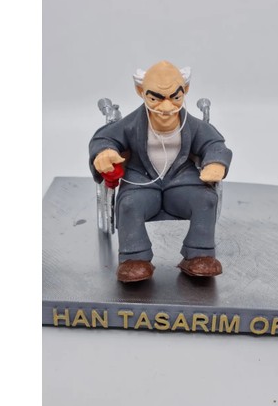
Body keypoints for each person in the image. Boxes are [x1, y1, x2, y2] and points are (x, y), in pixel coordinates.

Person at [89, 61, 232, 282]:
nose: (166, 108)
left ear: (185, 90)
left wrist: (215, 162)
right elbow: (105, 137)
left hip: (182, 180)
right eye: (156, 98)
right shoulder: (131, 124)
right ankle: (134, 258)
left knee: (206, 199)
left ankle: (200, 254)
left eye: (175, 98)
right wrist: (104, 152)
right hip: (141, 181)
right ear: (140, 91)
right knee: (129, 204)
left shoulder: (192, 125)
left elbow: (214, 143)